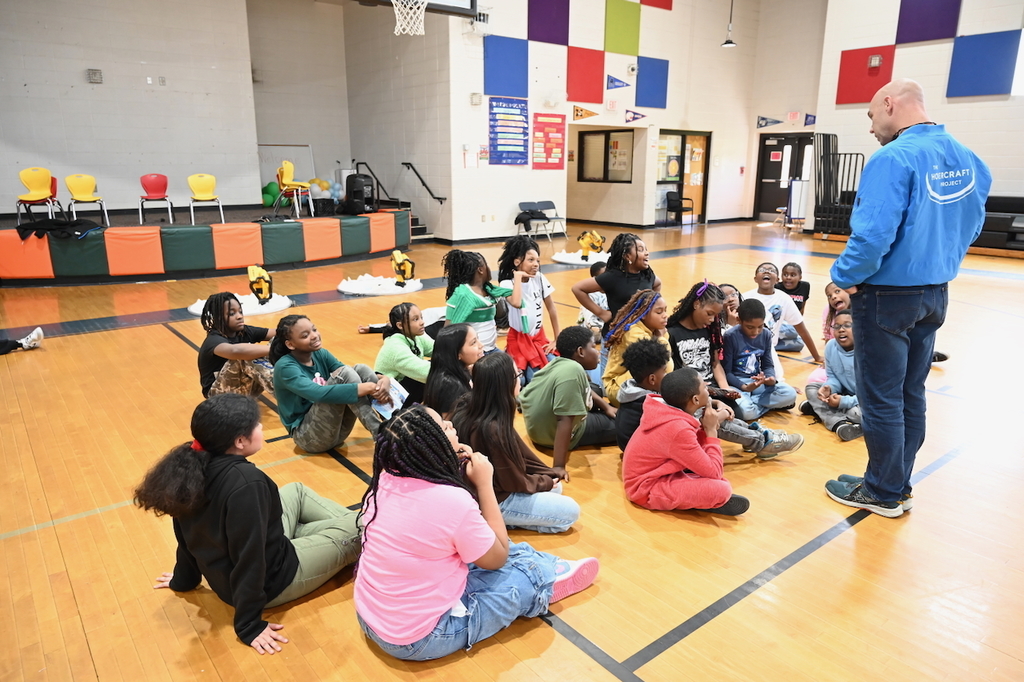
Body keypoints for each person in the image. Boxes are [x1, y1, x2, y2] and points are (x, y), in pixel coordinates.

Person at [824, 78, 991, 517]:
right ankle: (896, 481)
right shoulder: (968, 157)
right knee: (910, 392)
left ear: (888, 103)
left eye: (871, 116)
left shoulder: (892, 158)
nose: (872, 126)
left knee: (880, 397)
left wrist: (843, 276)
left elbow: (872, 236)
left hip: (887, 298)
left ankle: (881, 491)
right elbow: (974, 226)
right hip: (935, 293)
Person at [352, 405, 599, 661]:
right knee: (519, 575)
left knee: (491, 545)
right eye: (443, 426)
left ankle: (540, 564)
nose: (450, 425)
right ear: (432, 445)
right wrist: (484, 484)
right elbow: (496, 559)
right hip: (420, 638)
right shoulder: (451, 499)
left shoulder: (384, 480)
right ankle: (543, 579)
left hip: (370, 616)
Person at [135, 394, 360, 654]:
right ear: (240, 441)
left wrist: (184, 580)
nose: (261, 428)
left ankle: (346, 535)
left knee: (296, 491)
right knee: (367, 524)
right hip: (273, 580)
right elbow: (249, 557)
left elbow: (186, 532)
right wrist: (249, 625)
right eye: (257, 425)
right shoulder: (246, 483)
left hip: (239, 570)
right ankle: (364, 538)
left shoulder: (192, 463)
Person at [666, 282, 803, 458]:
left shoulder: (711, 330)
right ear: (696, 304)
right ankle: (763, 440)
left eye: (716, 315)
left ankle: (760, 434)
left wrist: (726, 390)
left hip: (713, 390)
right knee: (723, 415)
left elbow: (716, 365)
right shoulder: (672, 333)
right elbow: (678, 377)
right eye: (710, 314)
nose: (712, 319)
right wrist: (710, 398)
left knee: (732, 411)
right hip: (693, 394)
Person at [452, 353, 580, 533]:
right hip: (496, 499)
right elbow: (511, 481)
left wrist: (546, 477)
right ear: (504, 384)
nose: (520, 379)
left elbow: (519, 458)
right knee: (570, 512)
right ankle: (498, 521)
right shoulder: (492, 428)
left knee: (556, 489)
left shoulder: (472, 406)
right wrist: (544, 482)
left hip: (484, 491)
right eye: (517, 375)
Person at [623, 368, 750, 516]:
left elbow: (695, 444)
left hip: (656, 474)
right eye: (704, 387)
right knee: (722, 489)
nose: (708, 390)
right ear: (695, 400)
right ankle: (696, 500)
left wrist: (715, 419)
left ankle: (694, 495)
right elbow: (715, 472)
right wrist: (711, 431)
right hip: (644, 490)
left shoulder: (666, 410)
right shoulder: (678, 429)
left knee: (706, 468)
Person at [270, 314, 390, 453]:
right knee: (346, 374)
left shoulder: (320, 354)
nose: (314, 336)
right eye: (305, 335)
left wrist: (383, 379)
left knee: (360, 369)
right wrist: (367, 387)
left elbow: (354, 375)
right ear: (290, 344)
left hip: (337, 431)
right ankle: (381, 437)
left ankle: (395, 427)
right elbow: (318, 393)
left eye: (314, 330)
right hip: (309, 438)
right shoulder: (285, 367)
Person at [520, 326, 618, 481]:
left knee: (595, 390)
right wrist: (558, 466)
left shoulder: (563, 362)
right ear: (580, 352)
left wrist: (606, 407)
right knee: (622, 425)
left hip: (537, 426)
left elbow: (586, 389)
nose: (597, 351)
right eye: (593, 347)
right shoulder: (573, 372)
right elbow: (564, 420)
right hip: (550, 435)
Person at [571, 233, 661, 339]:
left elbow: (658, 284)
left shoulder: (647, 274)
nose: (646, 253)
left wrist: (654, 306)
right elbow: (577, 288)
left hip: (643, 335)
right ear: (627, 256)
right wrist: (601, 313)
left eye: (646, 249)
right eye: (641, 250)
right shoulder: (613, 277)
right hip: (617, 337)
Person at [497, 235, 560, 383]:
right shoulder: (507, 283)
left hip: (539, 339)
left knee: (552, 368)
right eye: (530, 260)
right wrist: (518, 277)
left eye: (537, 260)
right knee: (525, 380)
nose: (536, 264)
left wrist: (557, 339)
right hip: (519, 342)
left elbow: (552, 309)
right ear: (517, 261)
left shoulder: (539, 278)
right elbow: (517, 302)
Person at [722, 299, 798, 421]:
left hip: (757, 383)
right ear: (739, 321)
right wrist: (744, 387)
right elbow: (727, 372)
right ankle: (765, 406)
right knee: (747, 413)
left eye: (760, 326)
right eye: (750, 327)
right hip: (738, 384)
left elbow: (768, 364)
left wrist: (770, 378)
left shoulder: (766, 334)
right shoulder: (730, 336)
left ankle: (752, 404)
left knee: (790, 394)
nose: (756, 332)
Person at [743, 262, 822, 376]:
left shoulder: (784, 299)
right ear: (755, 279)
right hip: (745, 348)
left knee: (779, 382)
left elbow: (802, 330)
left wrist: (817, 356)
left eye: (772, 270)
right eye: (762, 269)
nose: (767, 271)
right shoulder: (745, 297)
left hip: (768, 350)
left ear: (777, 280)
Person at [442, 249, 523, 354]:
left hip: (491, 349)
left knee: (512, 367)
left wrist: (518, 278)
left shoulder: (490, 290)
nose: (489, 269)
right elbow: (448, 330)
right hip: (475, 354)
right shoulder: (463, 295)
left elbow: (517, 303)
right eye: (487, 265)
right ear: (480, 270)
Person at [197, 292, 275, 398]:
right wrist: (274, 350)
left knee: (280, 340)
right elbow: (235, 351)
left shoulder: (243, 331)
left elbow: (278, 333)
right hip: (217, 397)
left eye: (240, 311)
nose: (239, 316)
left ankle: (297, 380)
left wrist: (300, 333)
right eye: (232, 314)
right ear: (219, 317)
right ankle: (287, 391)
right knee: (244, 357)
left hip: (240, 391)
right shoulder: (213, 340)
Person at [601, 289, 671, 407]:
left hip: (634, 378)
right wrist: (662, 338)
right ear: (643, 315)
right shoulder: (633, 332)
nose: (665, 316)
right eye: (659, 312)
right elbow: (666, 362)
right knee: (661, 368)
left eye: (665, 310)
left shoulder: (657, 330)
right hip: (617, 385)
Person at [801, 310, 862, 441]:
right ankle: (840, 424)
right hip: (846, 393)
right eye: (837, 326)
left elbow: (872, 394)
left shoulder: (867, 352)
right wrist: (829, 388)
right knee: (812, 388)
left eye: (847, 325)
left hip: (865, 400)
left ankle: (819, 410)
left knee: (857, 414)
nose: (841, 329)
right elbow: (833, 376)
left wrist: (844, 402)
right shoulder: (830, 346)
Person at [373, 302, 433, 406]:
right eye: (415, 319)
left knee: (443, 363)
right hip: (391, 403)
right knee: (439, 373)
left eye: (421, 317)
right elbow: (426, 372)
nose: (422, 322)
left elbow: (441, 350)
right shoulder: (395, 347)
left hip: (407, 388)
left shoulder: (416, 336)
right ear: (400, 325)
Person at [422, 323, 484, 419]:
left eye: (478, 339)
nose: (481, 345)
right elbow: (448, 424)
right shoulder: (450, 386)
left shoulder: (461, 369)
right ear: (457, 354)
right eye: (473, 343)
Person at [576, 260, 609, 384]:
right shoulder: (589, 293)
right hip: (592, 332)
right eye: (604, 275)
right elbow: (590, 323)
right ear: (595, 278)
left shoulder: (610, 291)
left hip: (605, 331)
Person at [774, 262, 810, 352]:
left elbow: (802, 306)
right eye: (785, 274)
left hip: (793, 323)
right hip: (779, 322)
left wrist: (799, 322)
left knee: (799, 345)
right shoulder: (776, 287)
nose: (788, 277)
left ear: (800, 277)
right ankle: (771, 340)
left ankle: (770, 344)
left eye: (793, 275)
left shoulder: (805, 286)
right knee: (793, 333)